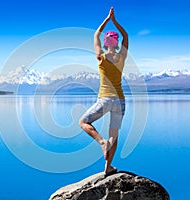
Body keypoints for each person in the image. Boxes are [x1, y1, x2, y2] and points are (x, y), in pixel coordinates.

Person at [79, 7, 128, 175]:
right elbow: (126, 36)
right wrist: (115, 22)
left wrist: (107, 19)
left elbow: (95, 35)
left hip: (105, 99)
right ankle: (108, 168)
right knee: (114, 134)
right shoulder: (121, 57)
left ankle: (101, 142)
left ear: (106, 43)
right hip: (120, 101)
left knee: (83, 122)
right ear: (117, 43)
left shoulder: (101, 57)